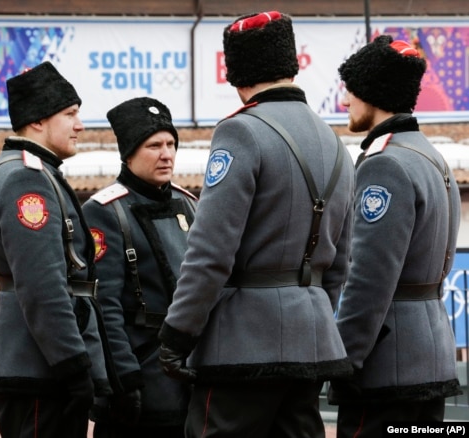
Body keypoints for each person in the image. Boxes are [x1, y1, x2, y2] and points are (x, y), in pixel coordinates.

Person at [157, 11, 356, 438]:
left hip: (241, 343)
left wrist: (178, 332)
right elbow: (340, 261)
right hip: (312, 340)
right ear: (292, 64)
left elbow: (211, 251)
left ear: (237, 75)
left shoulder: (240, 133)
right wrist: (312, 312)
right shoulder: (335, 143)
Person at [328, 35, 462, 436]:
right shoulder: (431, 156)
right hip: (431, 355)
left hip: (387, 367)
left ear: (372, 92)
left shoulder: (383, 165)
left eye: (350, 89)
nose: (344, 100)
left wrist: (345, 361)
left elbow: (369, 279)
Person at [0, 61, 111, 438]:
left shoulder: (36, 172)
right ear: (37, 120)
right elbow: (42, 285)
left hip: (39, 362)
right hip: (39, 368)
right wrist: (72, 364)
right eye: (70, 114)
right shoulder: (26, 179)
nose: (80, 125)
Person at [82, 97, 196, 438]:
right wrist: (123, 377)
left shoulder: (189, 204)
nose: (167, 154)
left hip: (187, 374)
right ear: (128, 153)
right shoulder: (104, 211)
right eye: (154, 145)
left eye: (171, 144)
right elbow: (105, 306)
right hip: (139, 374)